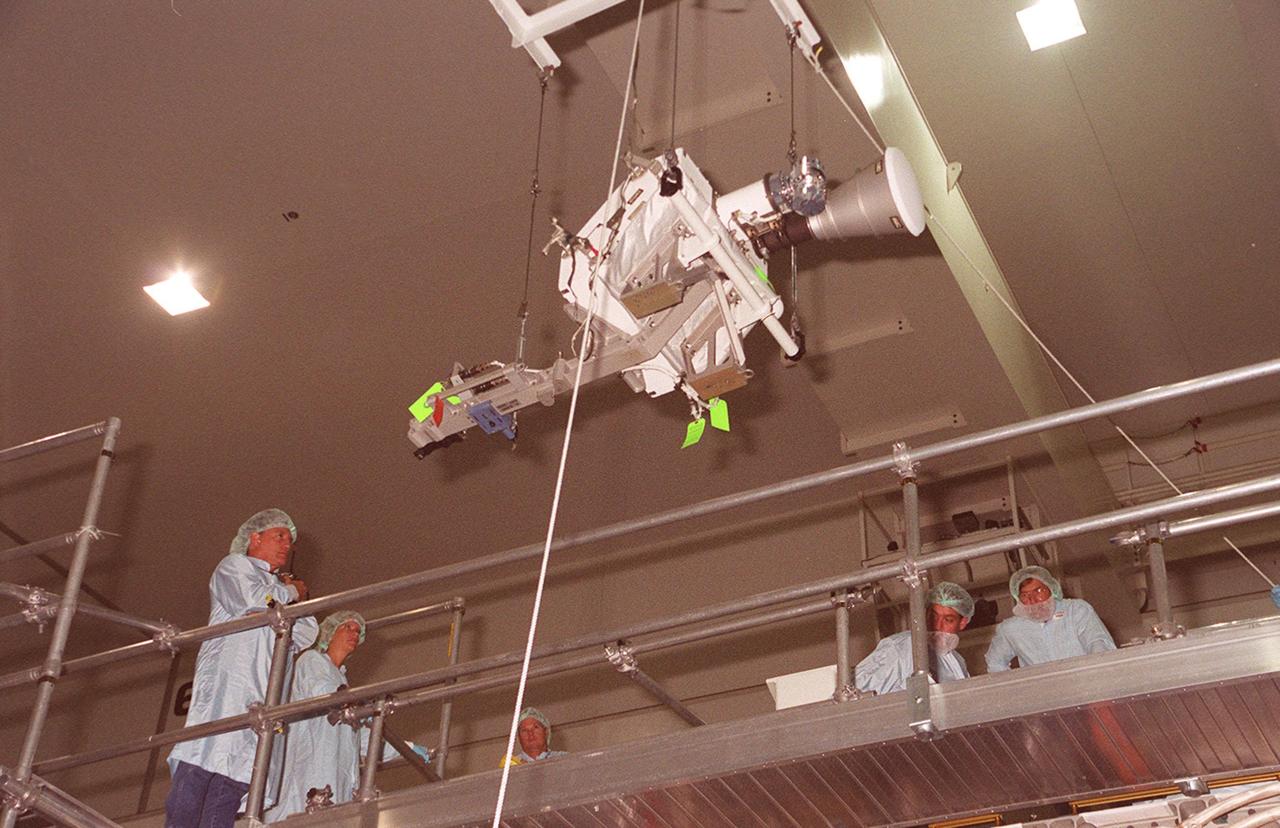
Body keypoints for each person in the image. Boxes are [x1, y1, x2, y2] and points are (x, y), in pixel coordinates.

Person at [166, 509, 319, 828]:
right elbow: (253, 600)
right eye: (280, 536)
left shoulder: (276, 587)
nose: (286, 545)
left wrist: (291, 598)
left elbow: (307, 633)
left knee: (235, 778)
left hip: (262, 695)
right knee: (202, 762)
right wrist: (291, 593)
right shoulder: (235, 566)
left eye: (290, 541)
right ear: (255, 537)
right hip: (229, 686)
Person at [268, 612, 430, 822]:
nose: (354, 633)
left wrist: (406, 748)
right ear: (329, 633)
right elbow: (321, 692)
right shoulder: (312, 660)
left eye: (358, 631)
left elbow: (362, 738)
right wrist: (354, 699)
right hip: (311, 768)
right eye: (347, 628)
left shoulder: (341, 678)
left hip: (338, 779)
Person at [985, 565, 1116, 672]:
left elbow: (1098, 644)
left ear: (1051, 588)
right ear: (1018, 598)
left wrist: (1100, 681)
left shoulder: (1075, 610)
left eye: (1039, 591)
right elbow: (995, 663)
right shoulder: (1011, 628)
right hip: (1044, 697)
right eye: (1025, 595)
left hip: (1087, 688)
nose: (1033, 600)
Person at [853, 581, 974, 696]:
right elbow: (857, 695)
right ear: (925, 614)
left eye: (948, 620)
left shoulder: (957, 662)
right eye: (933, 616)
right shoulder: (901, 648)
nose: (937, 625)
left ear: (962, 623)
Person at [502, 707, 568, 766]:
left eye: (535, 727)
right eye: (524, 730)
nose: (530, 733)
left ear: (546, 732)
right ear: (519, 737)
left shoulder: (564, 758)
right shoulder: (510, 767)